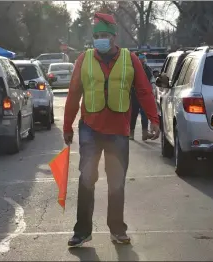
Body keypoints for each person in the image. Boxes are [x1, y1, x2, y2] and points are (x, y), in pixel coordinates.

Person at [63, 12, 160, 248]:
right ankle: (82, 231)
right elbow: (74, 94)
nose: (101, 39)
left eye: (105, 35)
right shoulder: (83, 59)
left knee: (116, 182)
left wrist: (154, 119)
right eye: (97, 36)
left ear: (114, 37)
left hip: (118, 131)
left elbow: (145, 91)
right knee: (87, 179)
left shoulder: (131, 59)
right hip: (90, 130)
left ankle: (117, 229)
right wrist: (67, 125)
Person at [129, 53, 153, 140]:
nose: (142, 60)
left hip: (143, 95)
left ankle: (144, 133)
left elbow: (150, 80)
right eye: (140, 58)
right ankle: (131, 133)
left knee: (144, 114)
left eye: (143, 58)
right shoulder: (131, 69)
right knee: (133, 114)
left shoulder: (147, 68)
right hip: (134, 94)